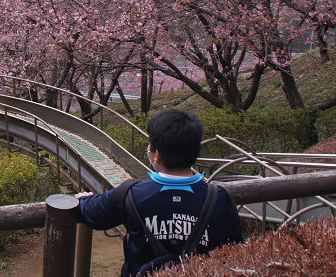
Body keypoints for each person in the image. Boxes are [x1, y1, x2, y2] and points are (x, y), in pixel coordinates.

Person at [76, 109, 242, 277]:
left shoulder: (132, 193)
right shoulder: (220, 198)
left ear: (157, 155)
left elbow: (93, 212)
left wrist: (84, 201)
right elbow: (236, 249)